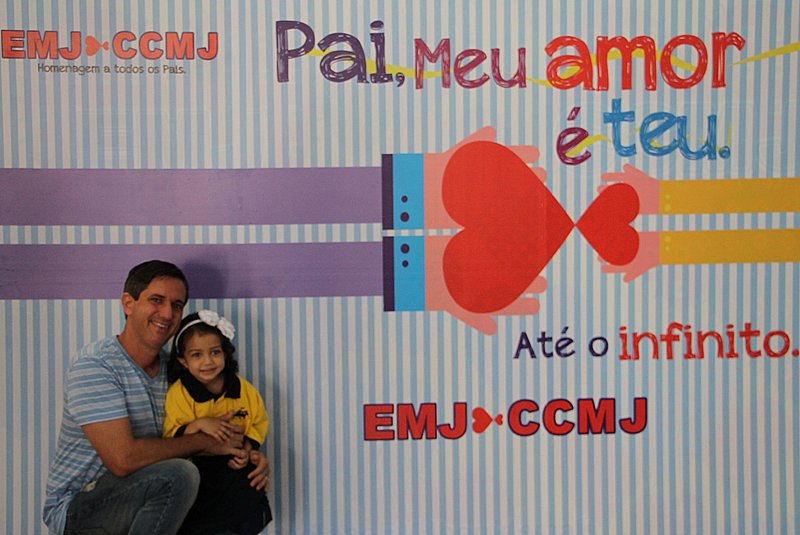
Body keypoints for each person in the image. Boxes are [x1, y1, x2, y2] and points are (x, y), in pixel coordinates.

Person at [43, 260, 270, 535]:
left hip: (152, 498)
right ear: (128, 303)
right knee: (180, 475)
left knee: (230, 492)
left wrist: (246, 453)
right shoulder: (96, 365)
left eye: (177, 305)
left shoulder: (179, 372)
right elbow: (123, 460)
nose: (167, 313)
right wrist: (206, 442)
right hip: (81, 507)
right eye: (156, 300)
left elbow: (208, 426)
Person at [164, 310, 273, 534]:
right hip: (202, 469)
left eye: (215, 352)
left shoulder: (244, 389)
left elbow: (258, 421)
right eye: (197, 355)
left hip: (236, 465)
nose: (208, 362)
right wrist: (200, 424)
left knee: (249, 500)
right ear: (183, 361)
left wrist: (248, 448)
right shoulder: (180, 393)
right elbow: (172, 434)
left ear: (225, 353)